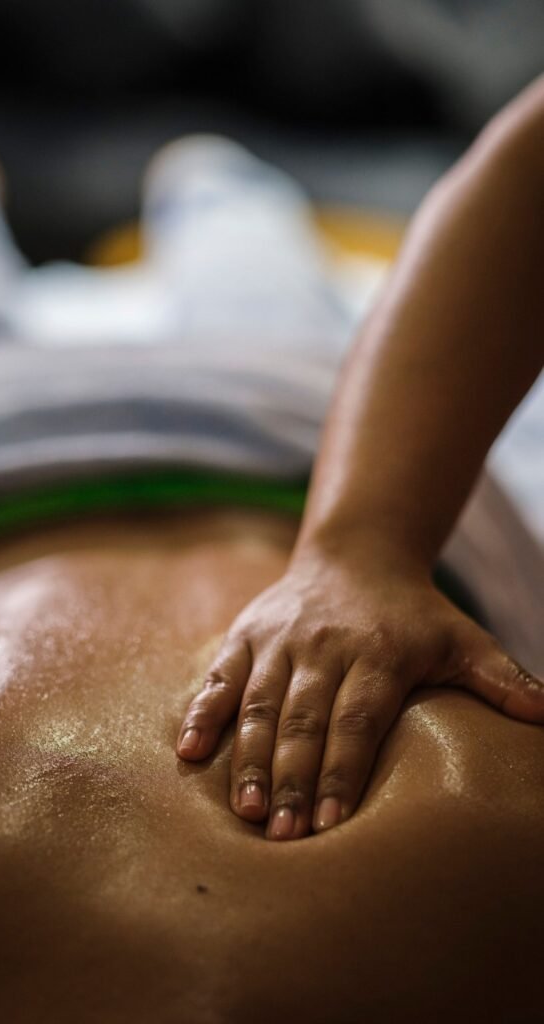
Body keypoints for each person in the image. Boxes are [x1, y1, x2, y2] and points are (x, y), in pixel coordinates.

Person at [0, 82, 543, 1022]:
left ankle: (153, 169)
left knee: (241, 262)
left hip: (276, 434)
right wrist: (359, 553)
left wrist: (361, 550)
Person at [178, 73, 544, 840]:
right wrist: (359, 552)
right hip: (279, 402)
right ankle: (203, 170)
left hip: (275, 400)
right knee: (233, 239)